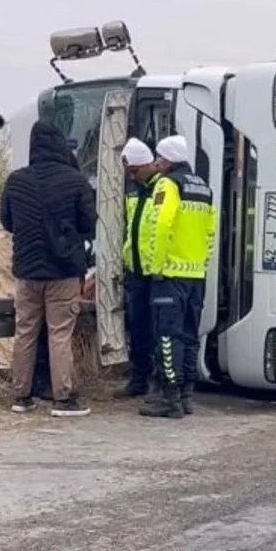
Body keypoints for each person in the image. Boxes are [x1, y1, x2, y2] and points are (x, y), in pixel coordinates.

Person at [0, 120, 96, 417]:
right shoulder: (74, 180)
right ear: (58, 145)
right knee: (59, 334)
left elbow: (7, 221)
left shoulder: (16, 180)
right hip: (63, 272)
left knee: (25, 332)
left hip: (27, 272)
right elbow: (89, 224)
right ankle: (63, 398)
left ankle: (21, 396)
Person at [138, 135, 216, 418]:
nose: (156, 162)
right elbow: (210, 233)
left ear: (168, 159)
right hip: (196, 274)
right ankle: (186, 394)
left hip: (169, 273)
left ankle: (168, 397)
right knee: (189, 335)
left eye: (159, 157)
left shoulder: (168, 185)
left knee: (167, 338)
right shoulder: (203, 187)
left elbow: (161, 225)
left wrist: (156, 265)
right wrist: (201, 263)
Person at [116, 137, 161, 398]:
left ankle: (156, 380)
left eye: (135, 170)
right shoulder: (132, 189)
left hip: (157, 273)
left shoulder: (163, 188)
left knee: (157, 330)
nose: (132, 176)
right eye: (129, 172)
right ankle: (138, 378)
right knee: (137, 328)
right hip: (135, 273)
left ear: (149, 164)